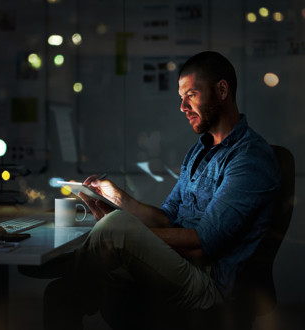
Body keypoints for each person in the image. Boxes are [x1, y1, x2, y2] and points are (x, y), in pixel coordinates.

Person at [21, 51, 281, 329]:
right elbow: (166, 218)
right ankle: (80, 264)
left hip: (209, 284)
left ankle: (70, 263)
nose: (183, 106)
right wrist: (115, 197)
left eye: (191, 94)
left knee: (115, 229)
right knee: (64, 289)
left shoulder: (250, 158)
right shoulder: (199, 152)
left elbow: (205, 243)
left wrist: (124, 233)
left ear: (221, 90)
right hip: (178, 263)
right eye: (181, 97)